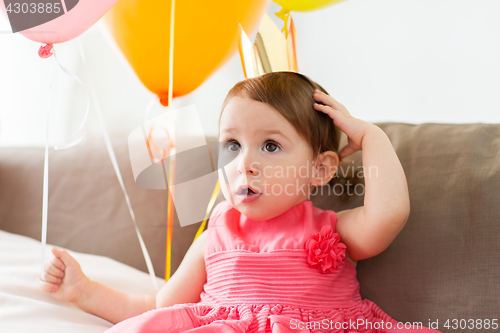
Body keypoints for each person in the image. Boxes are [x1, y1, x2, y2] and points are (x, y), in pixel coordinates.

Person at [40, 72, 442, 332]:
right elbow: (156, 305)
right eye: (232, 144)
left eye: (270, 145)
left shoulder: (329, 229)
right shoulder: (214, 238)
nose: (244, 163)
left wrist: (372, 137)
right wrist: (85, 291)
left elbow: (389, 213)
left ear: (320, 170)